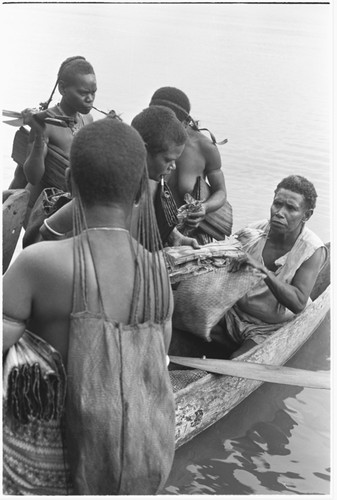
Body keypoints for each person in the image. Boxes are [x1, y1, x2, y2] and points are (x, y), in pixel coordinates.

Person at [3, 118, 176, 494]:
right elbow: (157, 361)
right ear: (139, 192)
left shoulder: (39, 265)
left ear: (70, 184)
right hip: (130, 466)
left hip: (51, 469)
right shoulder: (157, 274)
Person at [37, 106, 199, 248]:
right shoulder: (109, 188)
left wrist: (177, 237)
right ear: (143, 149)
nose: (173, 166)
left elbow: (157, 221)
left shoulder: (157, 186)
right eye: (168, 160)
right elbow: (50, 229)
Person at [211, 175, 328, 358]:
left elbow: (298, 303)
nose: (280, 212)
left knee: (236, 362)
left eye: (291, 208)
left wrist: (262, 270)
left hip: (269, 328)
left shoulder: (311, 250)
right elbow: (223, 263)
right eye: (277, 204)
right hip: (232, 313)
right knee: (182, 324)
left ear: (307, 215)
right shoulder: (253, 232)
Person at [20, 56, 96, 232]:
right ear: (62, 88)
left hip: (64, 207)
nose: (90, 98)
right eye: (83, 93)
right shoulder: (44, 122)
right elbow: (33, 176)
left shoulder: (87, 119)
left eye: (93, 92)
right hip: (39, 210)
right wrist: (39, 134)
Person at [149, 86, 228, 244]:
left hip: (191, 238)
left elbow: (221, 192)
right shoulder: (144, 139)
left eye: (169, 123)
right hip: (151, 231)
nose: (162, 129)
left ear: (185, 122)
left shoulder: (204, 148)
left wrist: (204, 208)